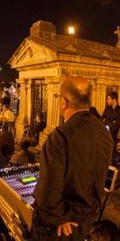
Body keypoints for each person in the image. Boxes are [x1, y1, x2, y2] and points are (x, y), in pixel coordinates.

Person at [32, 77, 113, 240]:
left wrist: (60, 218)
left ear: (64, 102)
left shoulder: (59, 137)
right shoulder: (103, 132)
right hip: (85, 219)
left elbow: (48, 191)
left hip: (61, 228)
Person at [101, 91, 120, 161]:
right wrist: (111, 122)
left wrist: (106, 122)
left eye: (109, 99)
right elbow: (101, 120)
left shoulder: (119, 110)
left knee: (111, 156)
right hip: (105, 134)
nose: (107, 101)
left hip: (113, 136)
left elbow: (116, 126)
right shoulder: (107, 108)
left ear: (114, 99)